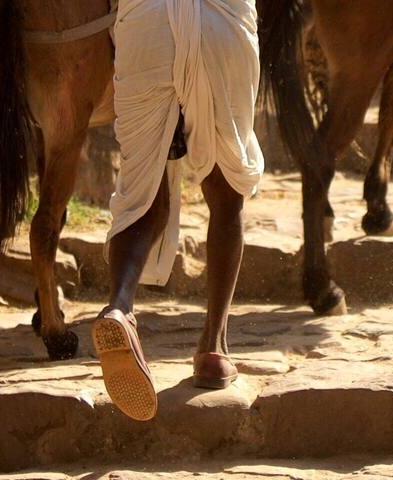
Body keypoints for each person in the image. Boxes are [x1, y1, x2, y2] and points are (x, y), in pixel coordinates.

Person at [95, 0, 262, 422]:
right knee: (225, 193)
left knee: (142, 191)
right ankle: (214, 349)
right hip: (222, 22)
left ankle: (120, 307)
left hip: (145, 24)